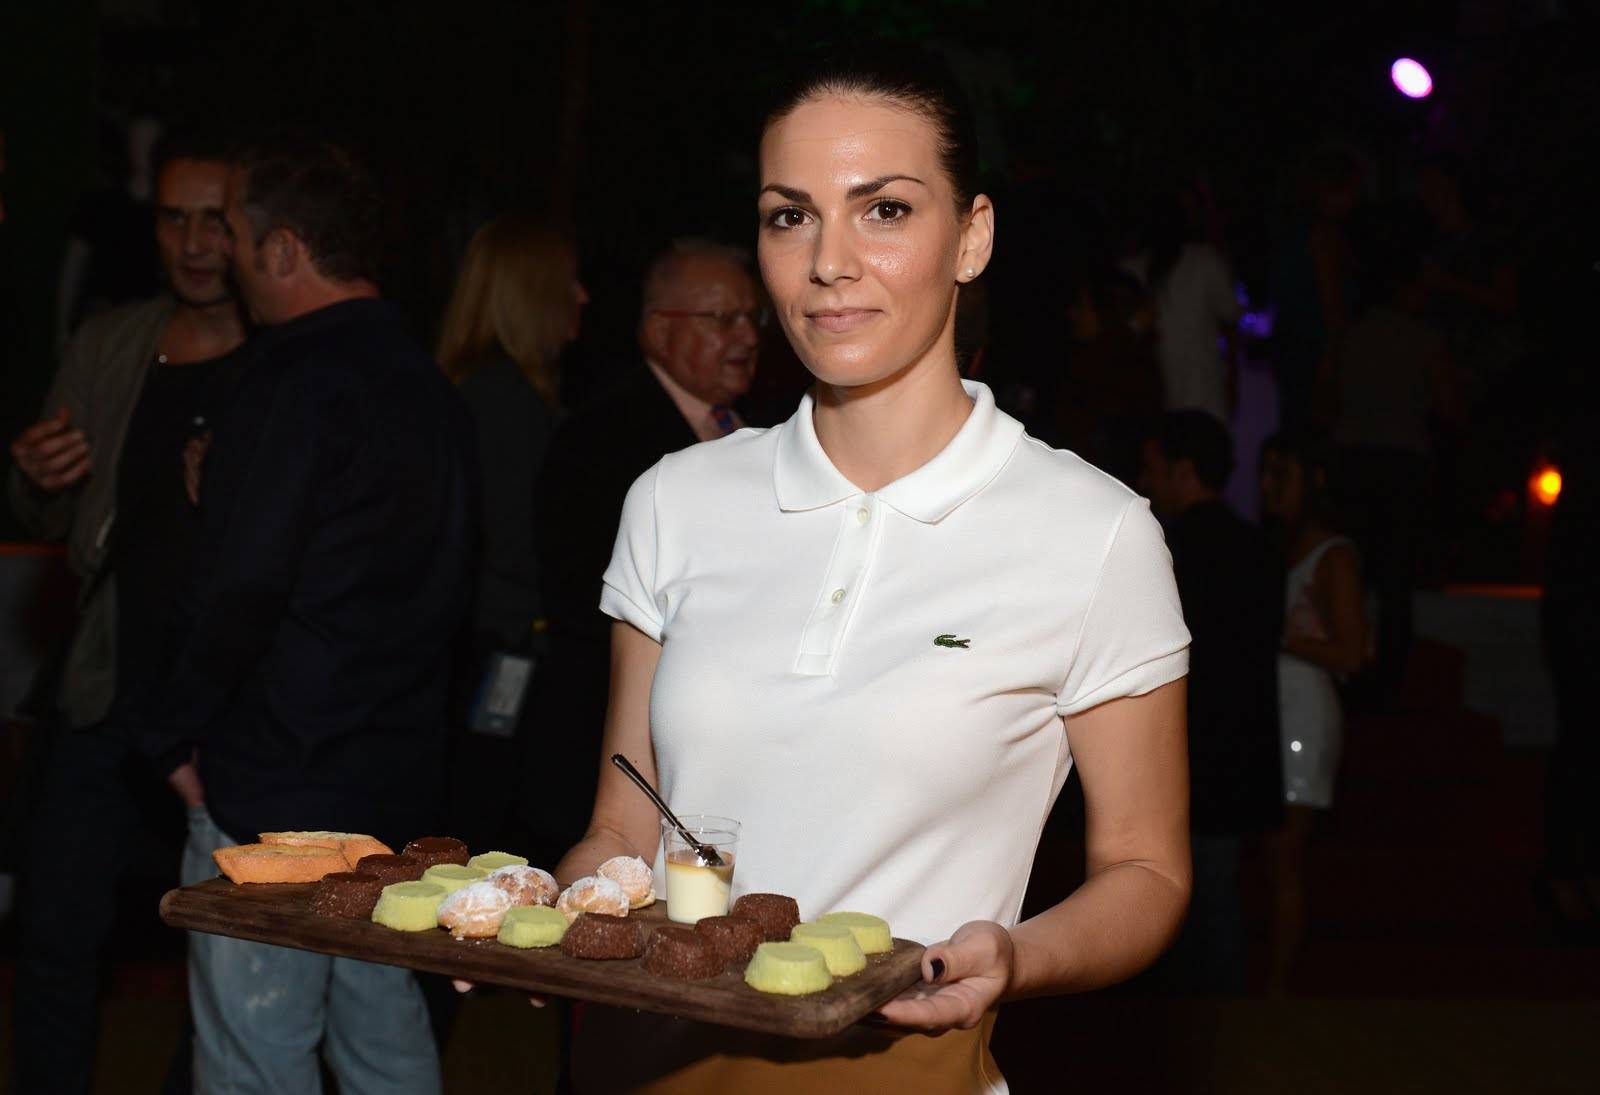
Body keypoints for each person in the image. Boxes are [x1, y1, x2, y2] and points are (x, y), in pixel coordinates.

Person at [543, 52, 1192, 1092]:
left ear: (971, 236)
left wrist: (1013, 956)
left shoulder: (1092, 533)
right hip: (639, 1068)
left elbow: (1146, 870)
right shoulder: (674, 499)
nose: (828, 263)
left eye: (883, 210)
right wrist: (544, 922)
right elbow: (622, 827)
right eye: (789, 216)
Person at [142, 138, 474, 1094]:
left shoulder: (289, 380)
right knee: (383, 1045)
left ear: (284, 248)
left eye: (236, 234)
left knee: (257, 1050)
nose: (225, 255)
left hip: (277, 783)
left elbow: (245, 585)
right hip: (393, 782)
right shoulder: (430, 386)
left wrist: (173, 731)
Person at [6, 133, 246, 1095]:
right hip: (104, 680)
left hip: (222, 698)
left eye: (214, 221)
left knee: (225, 943)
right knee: (55, 929)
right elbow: (48, 514)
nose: (193, 243)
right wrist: (36, 480)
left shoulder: (282, 357)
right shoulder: (110, 340)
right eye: (174, 219)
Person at [522, 237, 760, 865]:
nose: (746, 336)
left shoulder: (756, 431)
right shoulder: (600, 440)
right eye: (722, 318)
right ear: (658, 330)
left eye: (750, 317)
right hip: (606, 747)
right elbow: (580, 601)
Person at [436, 214, 588, 849]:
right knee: (488, 826)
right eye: (569, 282)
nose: (582, 297)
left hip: (491, 647)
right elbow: (517, 543)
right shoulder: (501, 401)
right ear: (532, 295)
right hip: (502, 651)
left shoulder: (490, 392)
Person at [1139, 411, 1282, 994]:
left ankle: (1201, 1015)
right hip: (1241, 746)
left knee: (1183, 898)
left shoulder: (1167, 548)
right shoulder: (1259, 545)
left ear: (1184, 470)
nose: (1146, 481)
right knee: (1219, 892)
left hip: (1189, 747)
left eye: (1153, 469)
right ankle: (1221, 1014)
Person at [1327, 205, 1459, 707]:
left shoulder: (1353, 334)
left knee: (1355, 573)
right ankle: (1390, 683)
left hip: (1354, 461)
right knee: (1395, 577)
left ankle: (1353, 675)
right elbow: (1450, 405)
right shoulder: (1423, 338)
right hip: (1402, 463)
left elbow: (1325, 397)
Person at [1258, 431, 1365, 993]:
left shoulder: (1334, 555)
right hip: (1268, 707)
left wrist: (1276, 636)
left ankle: (1277, 988)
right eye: (1264, 472)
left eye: (1281, 473)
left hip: (1303, 711)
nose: (1267, 485)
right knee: (1266, 856)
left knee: (1285, 857)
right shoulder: (1276, 546)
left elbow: (1353, 652)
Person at [1125, 187, 1242, 424]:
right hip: (1178, 401)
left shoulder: (1203, 262)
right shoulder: (1205, 262)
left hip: (1186, 400)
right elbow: (1232, 317)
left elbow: (1231, 318)